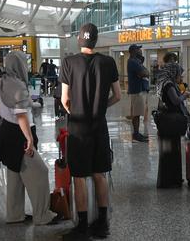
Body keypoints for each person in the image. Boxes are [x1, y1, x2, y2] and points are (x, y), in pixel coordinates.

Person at [60, 23, 121, 241]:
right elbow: (117, 95)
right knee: (99, 174)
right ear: (96, 40)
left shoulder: (69, 62)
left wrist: (75, 110)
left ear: (79, 39)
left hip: (78, 128)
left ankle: (83, 226)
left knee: (79, 176)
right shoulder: (108, 62)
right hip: (99, 126)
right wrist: (101, 107)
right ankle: (102, 223)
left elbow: (64, 99)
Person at [0, 51, 59, 226]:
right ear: (19, 65)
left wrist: (8, 114)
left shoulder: (4, 81)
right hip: (20, 135)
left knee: (15, 174)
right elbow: (21, 116)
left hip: (6, 131)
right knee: (41, 172)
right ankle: (42, 215)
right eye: (24, 62)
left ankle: (14, 214)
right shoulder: (18, 85)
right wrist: (30, 139)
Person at [155, 62, 190, 188]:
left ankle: (171, 179)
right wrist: (184, 96)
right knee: (171, 152)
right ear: (173, 73)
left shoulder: (164, 83)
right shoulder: (169, 85)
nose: (181, 77)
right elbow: (175, 101)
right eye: (180, 74)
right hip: (171, 122)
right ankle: (171, 180)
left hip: (166, 122)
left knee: (169, 152)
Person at [126, 44, 149, 142]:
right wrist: (145, 72)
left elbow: (145, 72)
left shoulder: (136, 61)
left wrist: (144, 70)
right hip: (137, 91)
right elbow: (145, 73)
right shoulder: (133, 62)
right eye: (138, 49)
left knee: (138, 113)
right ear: (133, 51)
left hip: (139, 90)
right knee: (136, 114)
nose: (140, 50)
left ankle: (137, 133)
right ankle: (135, 134)